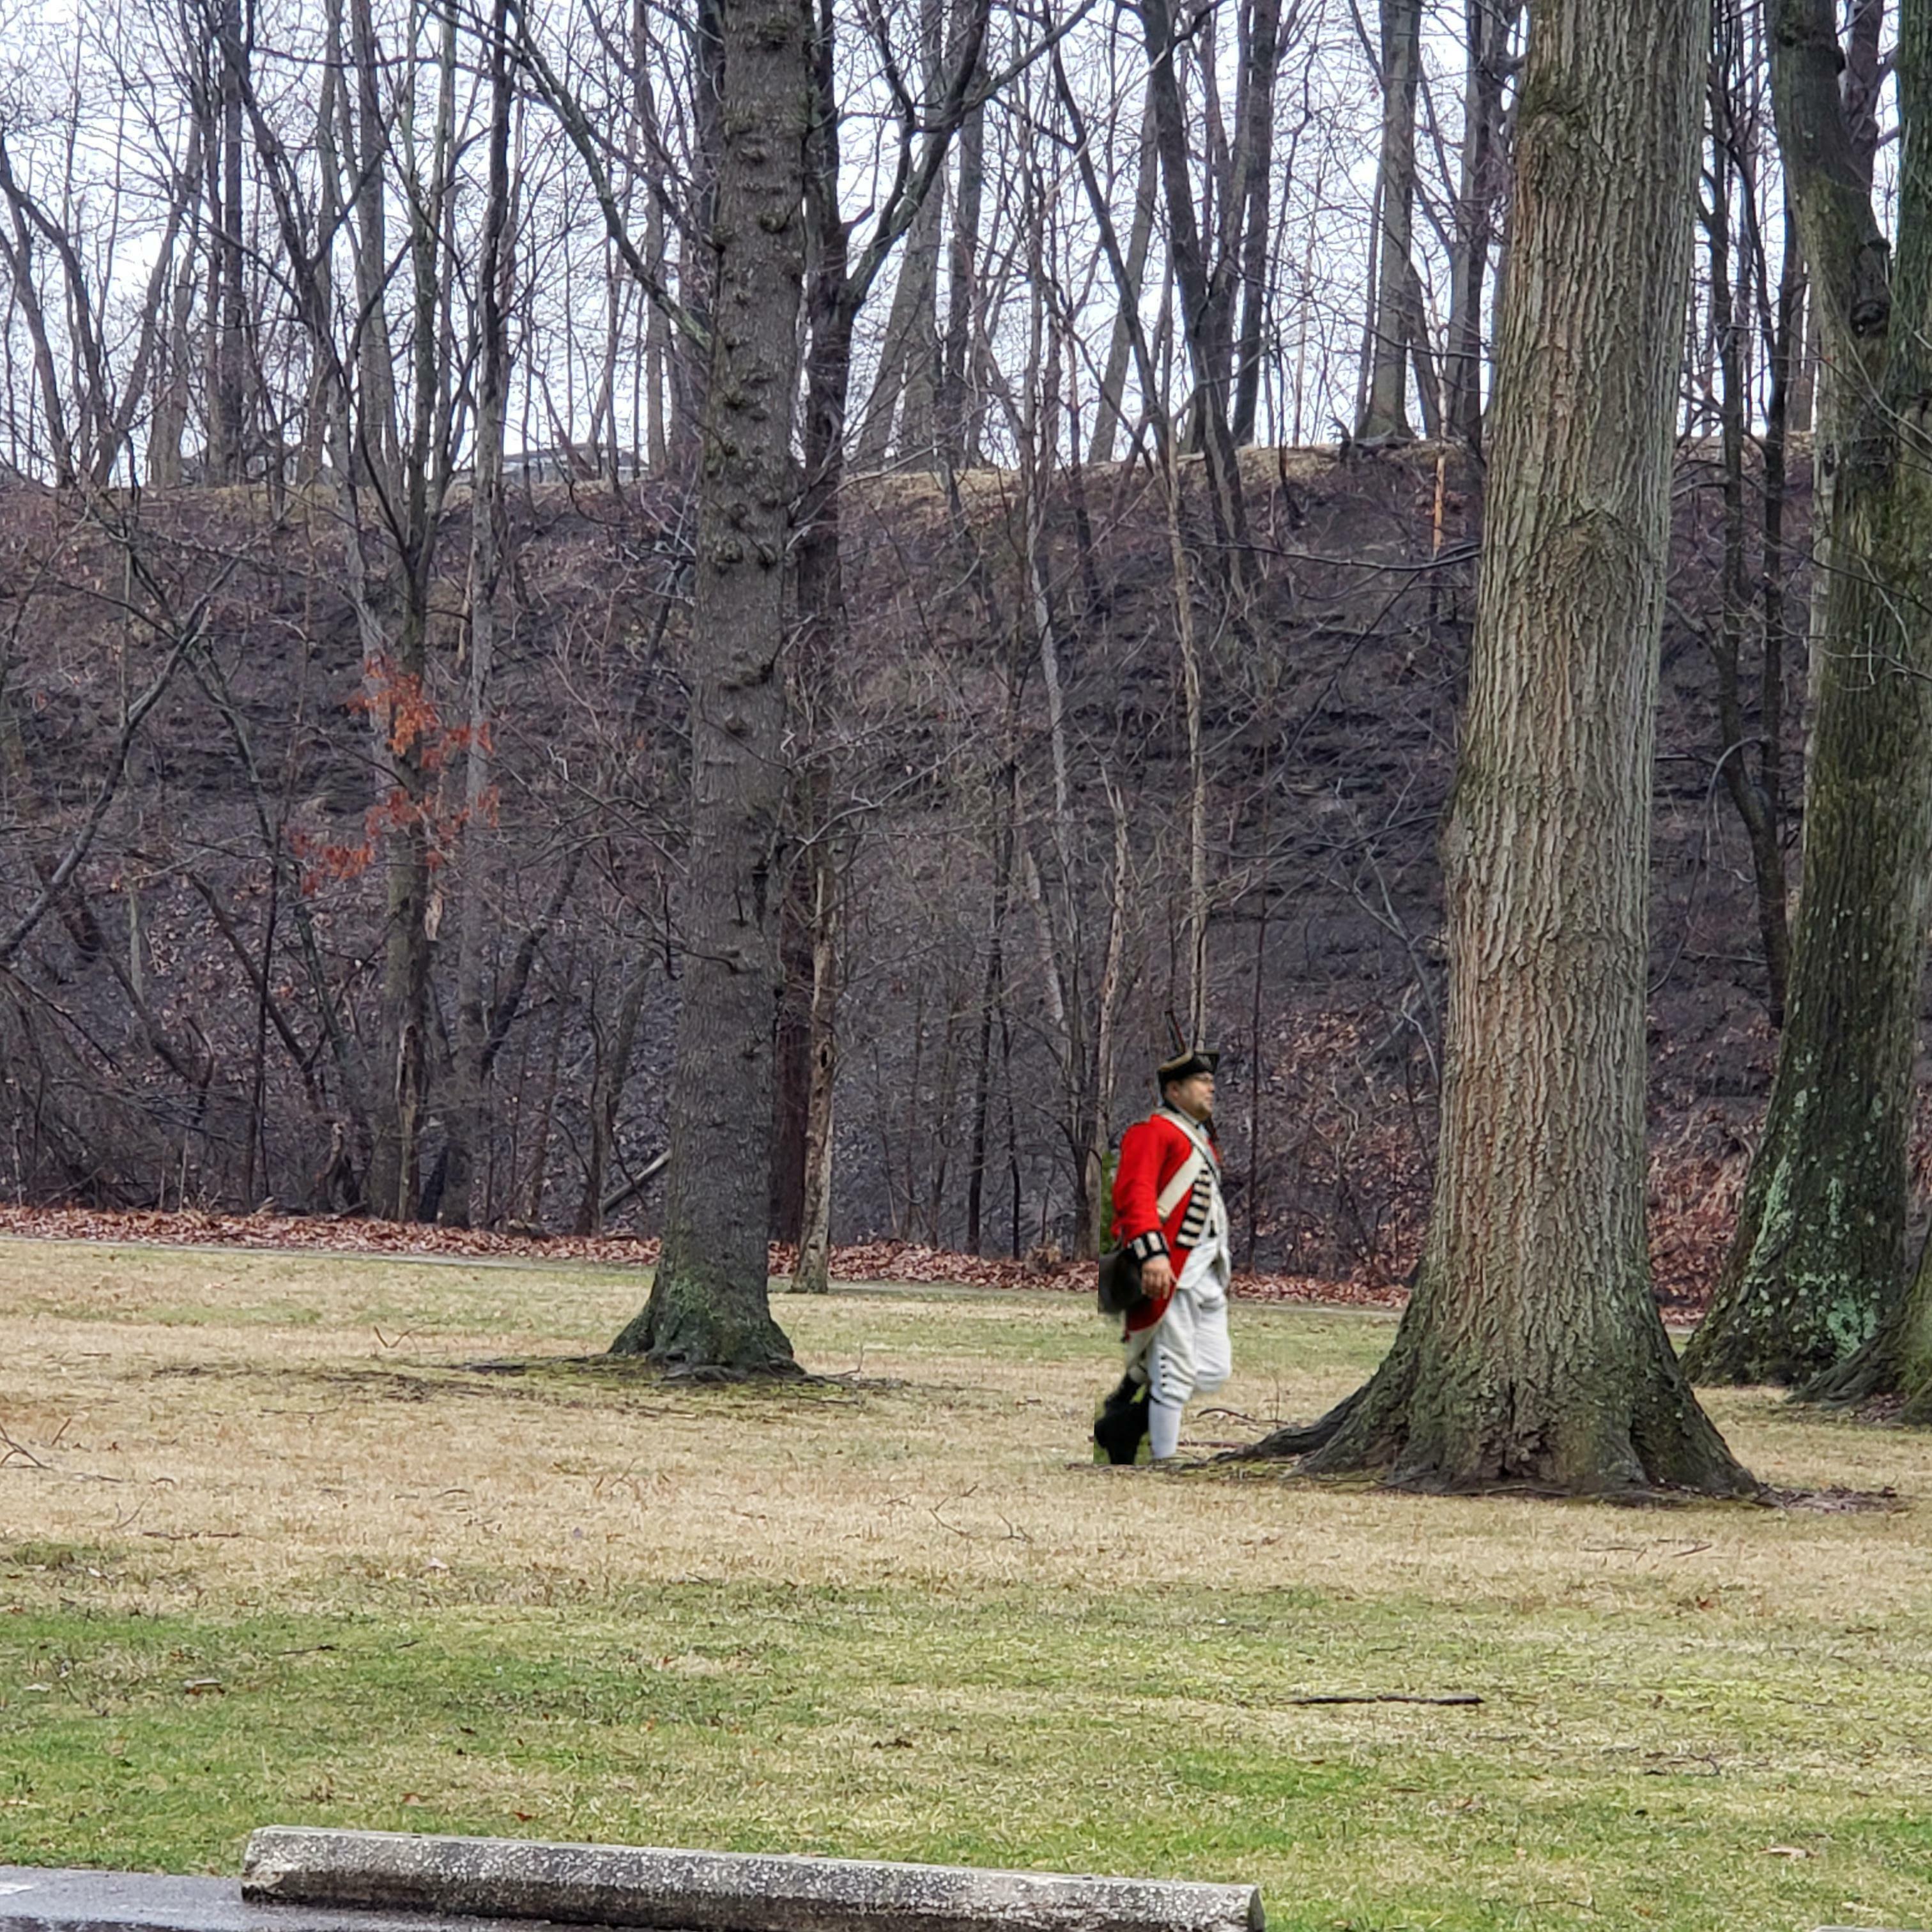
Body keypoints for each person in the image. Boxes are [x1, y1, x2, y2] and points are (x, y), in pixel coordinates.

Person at [1098, 1046, 1232, 1463]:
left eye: (1210, 1080)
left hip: (1204, 1267)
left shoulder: (1201, 1139)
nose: (1211, 1087)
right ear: (1174, 1090)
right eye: (1200, 1081)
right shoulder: (1152, 1132)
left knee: (1212, 1369)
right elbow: (1134, 1196)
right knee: (1174, 1374)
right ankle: (1164, 1460)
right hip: (1168, 1268)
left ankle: (1124, 1412)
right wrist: (1153, 1254)